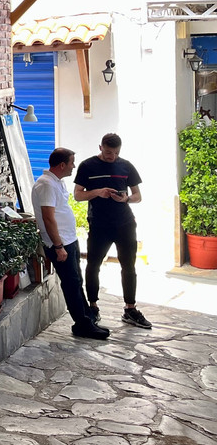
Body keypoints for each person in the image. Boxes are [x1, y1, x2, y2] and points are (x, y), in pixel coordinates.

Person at [74, 133, 150, 329]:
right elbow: (77, 195)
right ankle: (93, 307)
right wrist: (98, 192)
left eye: (116, 153)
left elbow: (138, 196)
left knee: (129, 266)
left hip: (125, 223)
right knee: (93, 265)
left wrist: (126, 198)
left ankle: (130, 309)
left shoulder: (126, 166)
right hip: (99, 224)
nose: (112, 156)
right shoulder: (87, 166)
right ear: (100, 147)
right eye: (108, 152)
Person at [32, 148, 110, 340]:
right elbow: (48, 217)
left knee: (77, 281)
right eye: (71, 162)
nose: (74, 166)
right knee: (71, 283)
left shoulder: (56, 182)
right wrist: (58, 246)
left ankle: (87, 318)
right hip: (60, 243)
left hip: (69, 239)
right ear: (62, 165)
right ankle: (82, 324)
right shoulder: (46, 184)